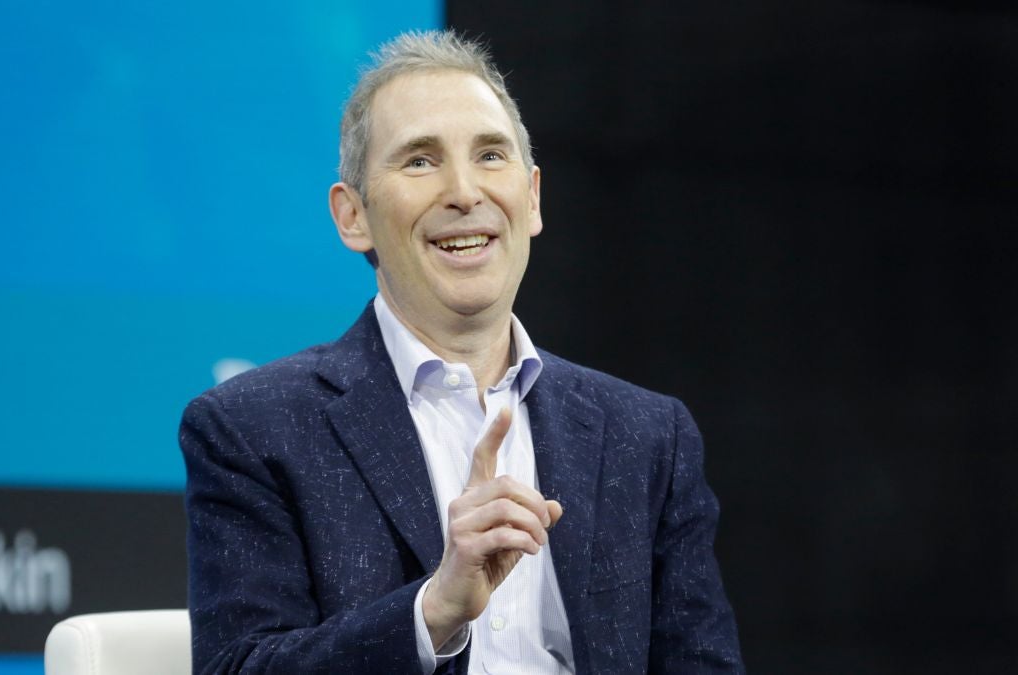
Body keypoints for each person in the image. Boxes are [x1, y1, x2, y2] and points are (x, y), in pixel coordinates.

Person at [180, 30, 743, 674]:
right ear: (352, 215)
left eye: (491, 155)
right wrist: (434, 611)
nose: (466, 192)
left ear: (532, 197)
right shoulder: (253, 429)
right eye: (420, 161)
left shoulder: (647, 436)